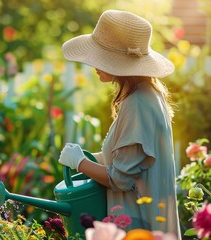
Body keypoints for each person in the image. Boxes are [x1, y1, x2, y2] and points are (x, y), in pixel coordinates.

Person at [58, 9, 181, 238]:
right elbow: (131, 160)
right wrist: (91, 158)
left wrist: (80, 162)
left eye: (100, 57)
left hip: (139, 226)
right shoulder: (147, 94)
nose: (93, 64)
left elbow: (120, 179)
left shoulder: (138, 104)